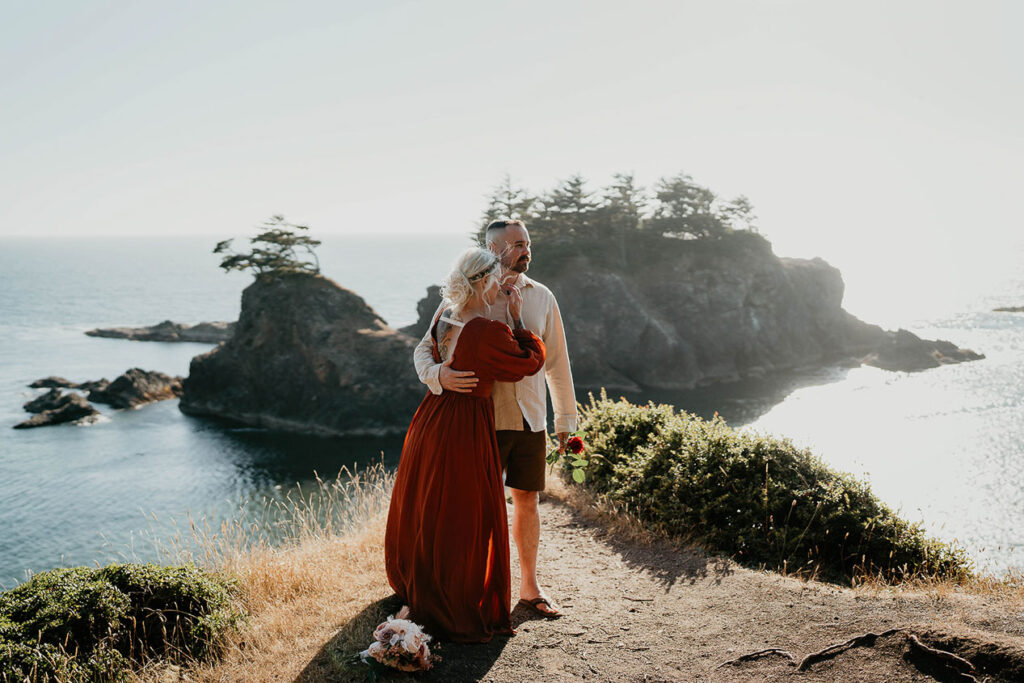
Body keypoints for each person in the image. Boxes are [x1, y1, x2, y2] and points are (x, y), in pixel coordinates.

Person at [414, 219, 577, 618]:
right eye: (518, 244)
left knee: (528, 501)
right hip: (481, 420)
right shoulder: (467, 295)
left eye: (528, 242)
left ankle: (529, 587)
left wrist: (565, 423)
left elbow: (556, 363)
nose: (526, 249)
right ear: (494, 248)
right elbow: (424, 348)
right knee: (478, 509)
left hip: (531, 419)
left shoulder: (541, 297)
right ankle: (478, 590)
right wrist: (440, 376)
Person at [385, 247, 546, 643]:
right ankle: (451, 598)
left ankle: (421, 585)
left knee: (430, 506)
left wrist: (439, 375)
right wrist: (517, 318)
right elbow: (529, 361)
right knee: (464, 513)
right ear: (485, 282)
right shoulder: (488, 330)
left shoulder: (445, 315)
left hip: (431, 417)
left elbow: (428, 347)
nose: (498, 290)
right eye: (495, 282)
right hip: (464, 424)